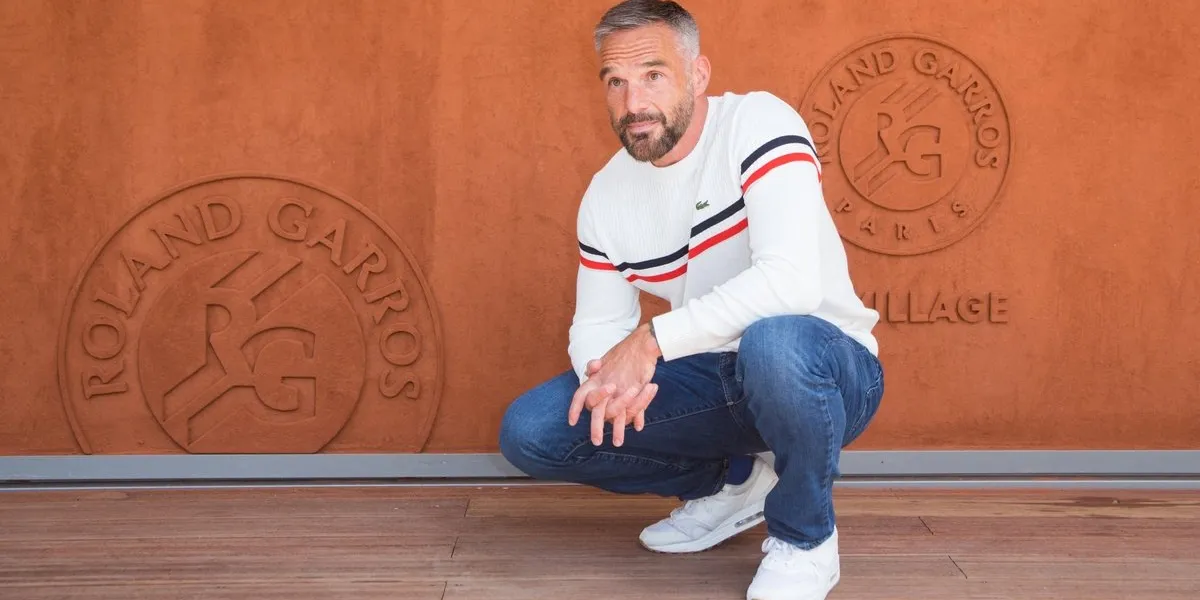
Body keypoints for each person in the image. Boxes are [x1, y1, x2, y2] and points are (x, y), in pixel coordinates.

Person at [498, 1, 884, 598]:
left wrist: (651, 341)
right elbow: (598, 326)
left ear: (698, 74)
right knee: (534, 429)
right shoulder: (605, 196)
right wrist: (610, 388)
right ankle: (732, 484)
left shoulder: (757, 122)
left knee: (774, 340)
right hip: (716, 379)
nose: (633, 105)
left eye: (653, 75)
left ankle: (806, 539)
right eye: (616, 83)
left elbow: (793, 282)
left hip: (827, 369)